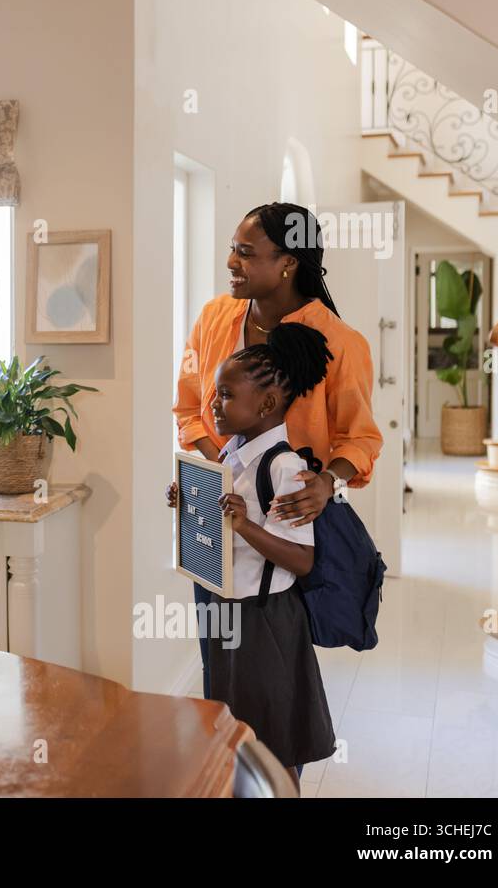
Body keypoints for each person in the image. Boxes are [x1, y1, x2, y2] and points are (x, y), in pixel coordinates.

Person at [174, 202, 382, 698]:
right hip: (217, 526)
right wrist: (220, 471)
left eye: (246, 253)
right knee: (219, 669)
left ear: (288, 262)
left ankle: (276, 770)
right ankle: (230, 770)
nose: (231, 262)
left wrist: (327, 481)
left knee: (277, 678)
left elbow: (362, 437)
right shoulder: (213, 319)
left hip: (286, 530)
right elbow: (187, 410)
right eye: (232, 249)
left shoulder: (340, 343)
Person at [168, 323, 338, 776]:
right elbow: (223, 521)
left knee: (276, 734)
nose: (212, 405)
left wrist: (244, 526)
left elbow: (302, 560)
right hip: (229, 610)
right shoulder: (232, 454)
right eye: (215, 393)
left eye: (225, 395)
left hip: (266, 619)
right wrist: (191, 499)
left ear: (264, 404)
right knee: (237, 723)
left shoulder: (284, 467)